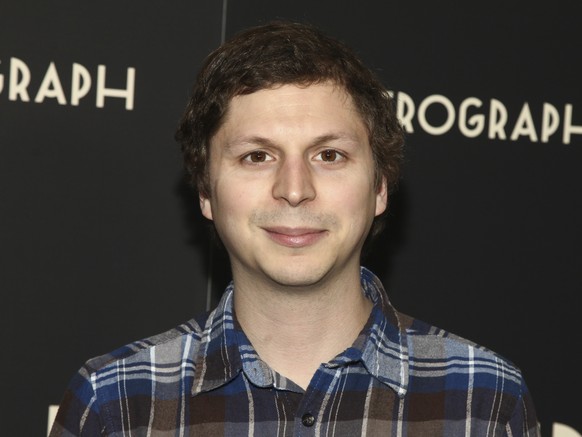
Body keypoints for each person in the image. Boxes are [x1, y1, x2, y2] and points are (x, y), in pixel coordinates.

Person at [50, 22, 539, 436]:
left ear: (379, 188)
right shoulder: (116, 402)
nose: (294, 188)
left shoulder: (485, 399)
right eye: (256, 156)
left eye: (329, 155)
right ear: (205, 192)